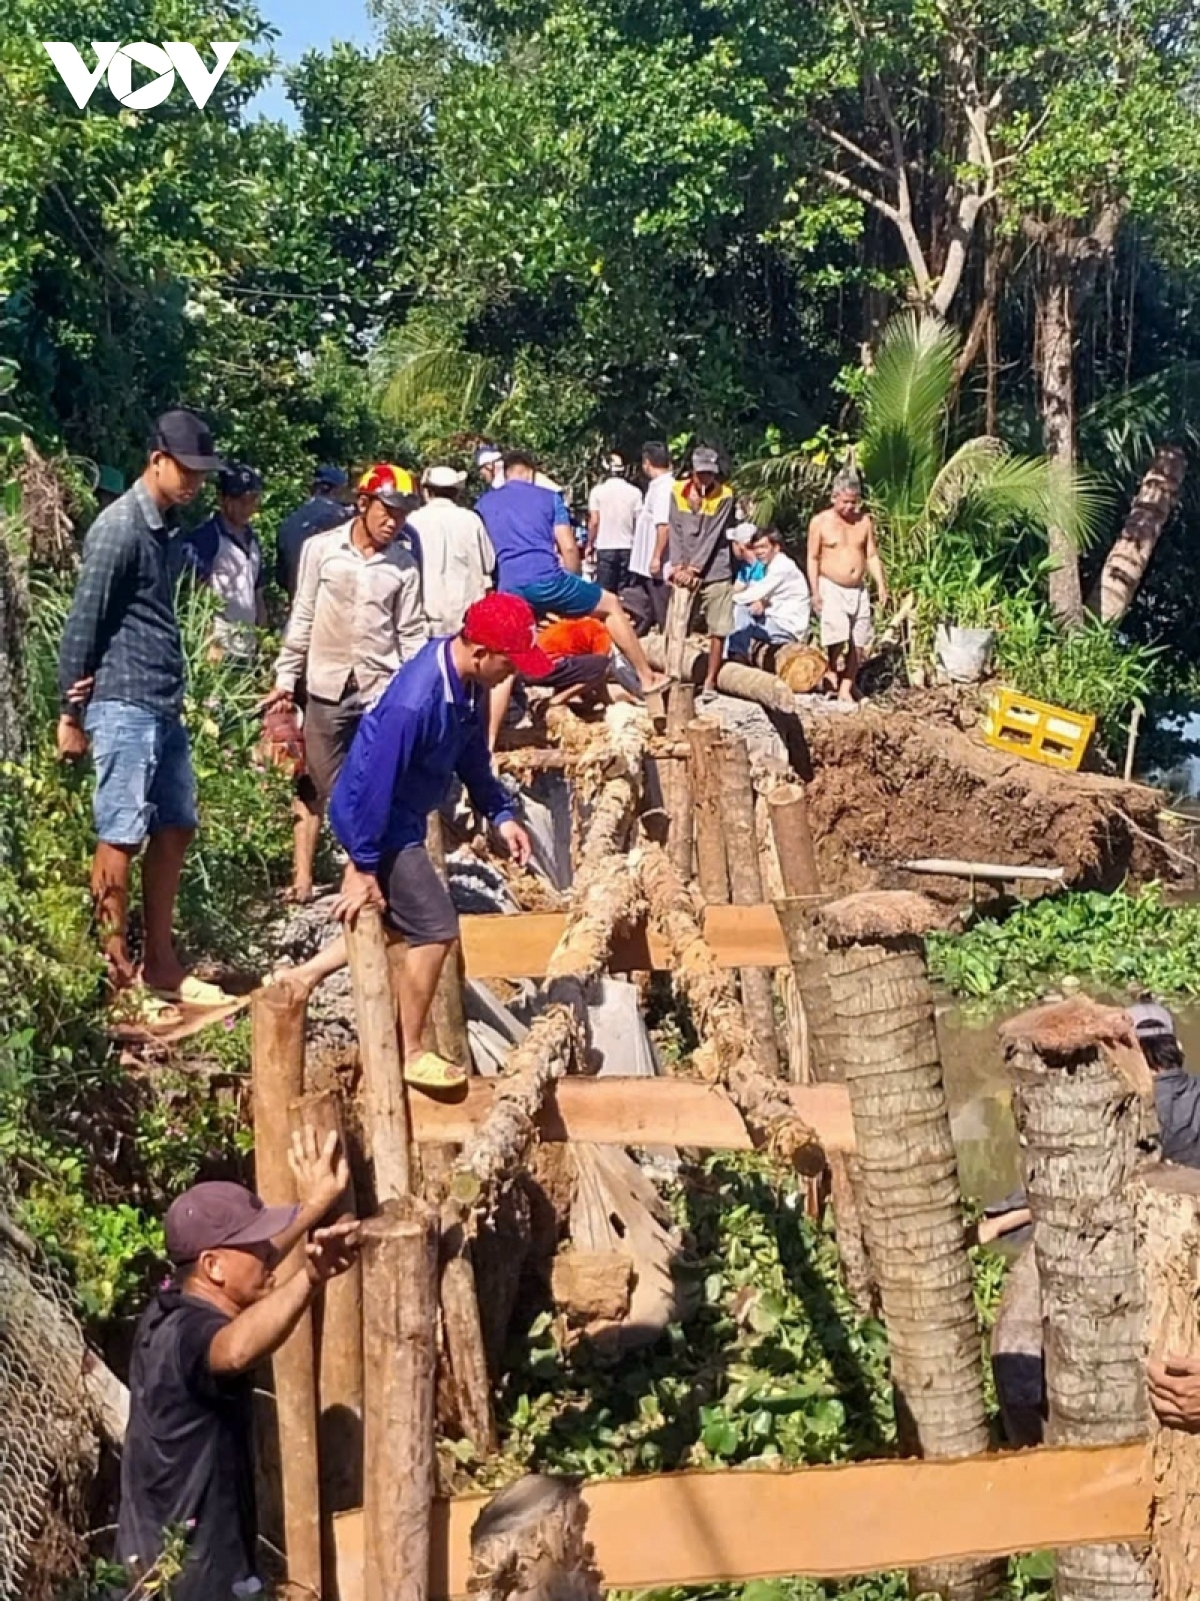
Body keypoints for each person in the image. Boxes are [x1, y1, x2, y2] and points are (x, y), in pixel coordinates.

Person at [115, 1128, 360, 1600]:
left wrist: (313, 1204)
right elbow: (236, 1350)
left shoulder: (168, 1305)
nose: (268, 1252)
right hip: (194, 1585)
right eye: (254, 1245)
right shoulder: (191, 1337)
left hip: (155, 1571)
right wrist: (311, 1275)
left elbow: (256, 1267)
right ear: (213, 1267)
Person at [328, 594, 548, 1089]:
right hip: (379, 819)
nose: (511, 674)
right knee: (436, 927)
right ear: (482, 652)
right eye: (509, 663)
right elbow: (374, 780)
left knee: (399, 924)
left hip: (398, 814)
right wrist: (362, 864)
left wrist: (501, 812)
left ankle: (301, 980)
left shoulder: (465, 684)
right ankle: (409, 1051)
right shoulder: (417, 701)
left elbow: (470, 755)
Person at [56, 407, 230, 1018]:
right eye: (187, 471)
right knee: (120, 835)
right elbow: (82, 624)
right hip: (122, 704)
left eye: (201, 475)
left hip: (161, 703)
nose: (195, 484)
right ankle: (119, 979)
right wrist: (69, 714)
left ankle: (162, 966)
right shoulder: (119, 528)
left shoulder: (160, 528)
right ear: (157, 461)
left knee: (176, 825)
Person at [266, 464, 426, 896]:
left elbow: (410, 633)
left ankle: (361, 872)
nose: (393, 521)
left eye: (402, 515)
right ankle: (314, 871)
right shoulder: (322, 551)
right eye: (387, 511)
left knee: (376, 781)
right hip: (326, 685)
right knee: (320, 780)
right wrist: (286, 676)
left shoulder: (404, 566)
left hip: (379, 689)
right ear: (362, 504)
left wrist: (420, 688)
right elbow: (302, 615)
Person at [476, 450, 668, 697]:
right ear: (531, 471)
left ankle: (493, 731)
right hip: (547, 579)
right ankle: (647, 676)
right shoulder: (548, 497)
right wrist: (574, 580)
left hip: (509, 585)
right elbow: (567, 546)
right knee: (610, 604)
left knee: (507, 658)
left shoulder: (484, 503)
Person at [807, 466, 888, 703]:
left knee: (858, 640)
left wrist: (881, 584)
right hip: (831, 585)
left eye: (854, 502)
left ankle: (847, 684)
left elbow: (871, 554)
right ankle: (832, 671)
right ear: (834, 498)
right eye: (845, 502)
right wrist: (815, 592)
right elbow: (812, 557)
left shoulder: (864, 522)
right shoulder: (820, 522)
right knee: (836, 636)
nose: (849, 507)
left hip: (858, 588)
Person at [174, 463, 267, 662]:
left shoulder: (253, 541)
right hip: (218, 648)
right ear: (222, 499)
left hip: (248, 647)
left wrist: (263, 637)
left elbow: (257, 593)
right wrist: (209, 642)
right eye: (241, 501)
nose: (248, 508)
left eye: (252, 500)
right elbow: (197, 594)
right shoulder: (206, 539)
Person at [667, 445, 737, 701]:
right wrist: (678, 565)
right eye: (701, 474)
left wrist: (695, 568)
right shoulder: (677, 491)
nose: (706, 479)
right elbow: (674, 528)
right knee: (677, 623)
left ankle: (711, 680)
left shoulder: (725, 496)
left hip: (715, 569)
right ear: (692, 473)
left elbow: (712, 536)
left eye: (710, 474)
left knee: (718, 628)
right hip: (684, 567)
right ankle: (674, 674)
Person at [407, 465, 496, 635]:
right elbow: (489, 563)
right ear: (456, 493)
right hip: (466, 616)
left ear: (426, 491)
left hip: (427, 616)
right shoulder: (471, 520)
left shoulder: (413, 521)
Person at [726, 528, 812, 660]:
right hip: (775, 620)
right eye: (756, 548)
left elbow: (755, 593)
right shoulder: (771, 565)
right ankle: (732, 654)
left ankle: (735, 655)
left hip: (786, 627)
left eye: (763, 547)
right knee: (742, 616)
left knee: (740, 610)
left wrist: (725, 600)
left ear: (776, 547)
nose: (759, 552)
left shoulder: (782, 566)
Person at [275, 465, 350, 601]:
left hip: (298, 606)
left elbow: (282, 578)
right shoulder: (343, 519)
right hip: (331, 608)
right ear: (337, 489)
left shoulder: (289, 522)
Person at [627, 441, 675, 632]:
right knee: (647, 605)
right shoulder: (657, 486)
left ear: (647, 462)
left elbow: (664, 526)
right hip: (647, 564)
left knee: (661, 607)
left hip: (657, 565)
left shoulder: (664, 489)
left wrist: (656, 556)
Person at [585, 453, 643, 597]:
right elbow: (639, 522)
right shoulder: (635, 492)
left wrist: (590, 544)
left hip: (605, 547)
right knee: (626, 593)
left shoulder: (597, 492)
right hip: (629, 548)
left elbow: (594, 521)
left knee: (605, 594)